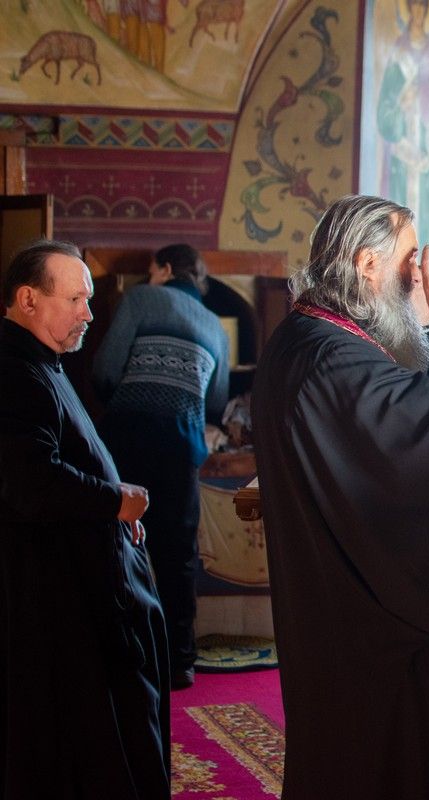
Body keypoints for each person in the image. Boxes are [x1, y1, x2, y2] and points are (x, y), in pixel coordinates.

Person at [251, 195, 429, 799]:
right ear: (367, 264)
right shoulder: (332, 357)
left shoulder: (308, 338)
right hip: (372, 636)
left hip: (338, 616)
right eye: (409, 261)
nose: (417, 279)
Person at [0, 240, 170, 798]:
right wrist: (113, 502)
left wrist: (111, 500)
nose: (89, 314)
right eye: (75, 299)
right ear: (28, 299)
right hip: (53, 598)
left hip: (76, 584)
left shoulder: (40, 362)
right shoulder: (15, 371)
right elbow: (29, 481)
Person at [93, 243, 229, 691]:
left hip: (126, 441)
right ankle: (180, 662)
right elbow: (216, 401)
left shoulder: (139, 299)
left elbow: (104, 370)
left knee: (116, 545)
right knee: (178, 557)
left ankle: (118, 654)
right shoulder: (215, 327)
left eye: (151, 270)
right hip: (181, 450)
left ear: (166, 269)